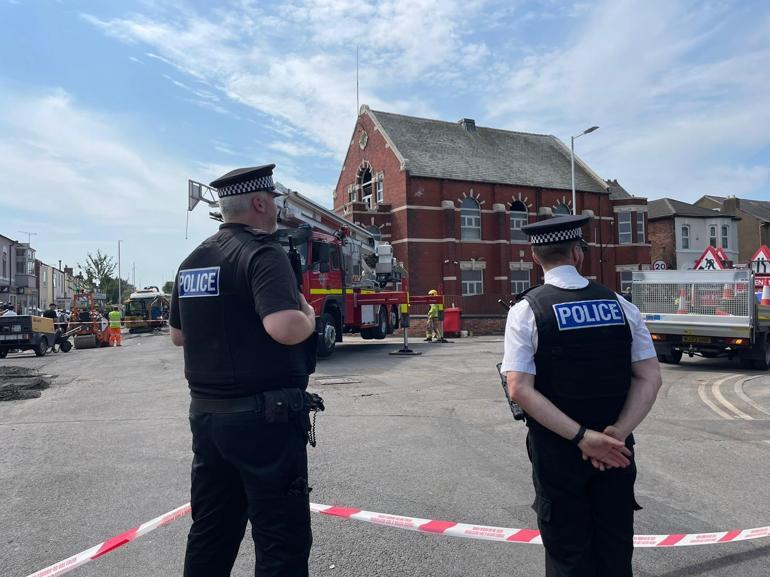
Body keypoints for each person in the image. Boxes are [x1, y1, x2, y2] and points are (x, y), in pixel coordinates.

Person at [170, 164, 319, 577]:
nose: (275, 208)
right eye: (272, 200)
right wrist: (308, 314)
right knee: (280, 538)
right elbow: (285, 328)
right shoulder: (263, 252)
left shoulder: (193, 260)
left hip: (208, 416)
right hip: (263, 421)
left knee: (212, 530)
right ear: (258, 202)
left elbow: (178, 336)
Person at [500, 214, 662, 577]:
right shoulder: (621, 305)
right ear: (578, 254)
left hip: (558, 453)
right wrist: (615, 435)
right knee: (615, 551)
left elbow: (519, 387)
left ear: (534, 256)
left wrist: (582, 438)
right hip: (616, 452)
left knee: (568, 556)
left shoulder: (527, 311)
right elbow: (650, 376)